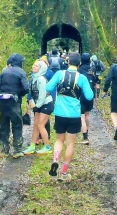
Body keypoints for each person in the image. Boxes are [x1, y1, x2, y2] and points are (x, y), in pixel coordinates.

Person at [45, 52, 94, 180]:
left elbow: (48, 88)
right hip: (74, 114)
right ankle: (64, 173)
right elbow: (89, 96)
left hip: (59, 113)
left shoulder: (59, 74)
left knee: (59, 140)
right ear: (79, 64)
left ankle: (55, 160)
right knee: (70, 143)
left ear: (67, 62)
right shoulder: (81, 78)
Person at [0, 53, 29, 157]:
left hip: (2, 100)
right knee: (17, 123)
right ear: (19, 62)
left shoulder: (3, 72)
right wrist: (19, 94)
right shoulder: (21, 72)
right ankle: (17, 149)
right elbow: (26, 88)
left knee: (3, 123)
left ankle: (4, 149)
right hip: (14, 101)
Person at [23, 60, 54, 155]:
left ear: (41, 68)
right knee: (36, 125)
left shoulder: (41, 79)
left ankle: (47, 146)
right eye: (34, 65)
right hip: (39, 104)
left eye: (36, 66)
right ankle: (32, 146)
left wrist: (37, 106)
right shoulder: (34, 78)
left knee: (40, 125)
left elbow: (43, 95)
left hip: (46, 104)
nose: (34, 67)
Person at [78, 53, 96, 145]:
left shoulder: (79, 69)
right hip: (90, 94)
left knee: (82, 116)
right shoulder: (92, 69)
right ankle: (87, 132)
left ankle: (85, 137)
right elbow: (95, 82)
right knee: (87, 115)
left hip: (81, 95)